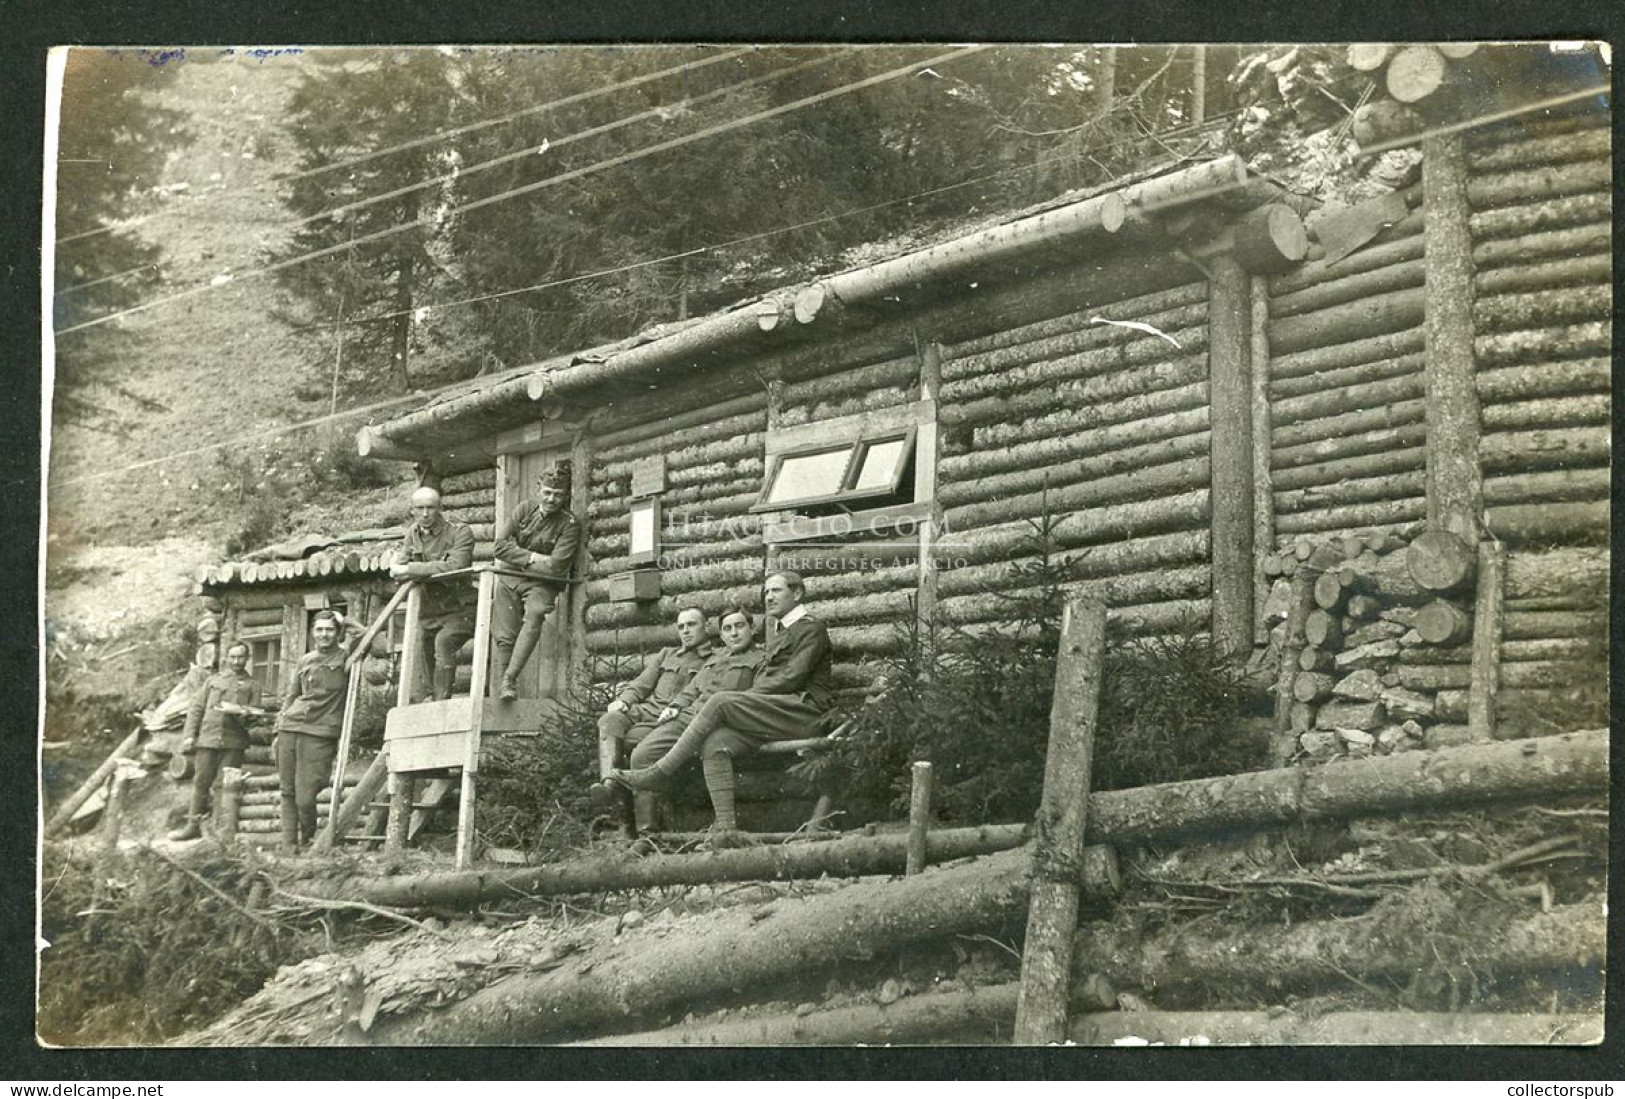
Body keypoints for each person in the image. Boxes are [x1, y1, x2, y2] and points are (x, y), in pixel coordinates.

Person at [606, 572, 833, 838]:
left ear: (797, 594)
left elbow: (792, 677)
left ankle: (659, 772)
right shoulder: (783, 631)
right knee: (717, 741)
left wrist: (747, 697)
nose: (769, 597)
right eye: (766, 592)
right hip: (777, 710)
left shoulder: (809, 628)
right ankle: (726, 829)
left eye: (776, 591)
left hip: (804, 711)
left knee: (721, 700)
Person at [621, 606, 764, 836]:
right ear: (721, 634)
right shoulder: (716, 660)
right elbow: (692, 689)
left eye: (739, 626)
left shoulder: (762, 660)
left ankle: (657, 828)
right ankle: (649, 832)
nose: (734, 633)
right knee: (641, 753)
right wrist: (675, 706)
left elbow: (757, 697)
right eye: (727, 629)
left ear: (752, 628)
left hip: (719, 724)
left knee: (643, 756)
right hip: (687, 718)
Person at [490, 465, 583, 701]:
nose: (552, 499)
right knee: (504, 634)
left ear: (565, 496)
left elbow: (556, 566)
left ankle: (510, 677)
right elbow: (499, 546)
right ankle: (504, 686)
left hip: (543, 583)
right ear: (538, 489)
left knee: (535, 614)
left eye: (558, 495)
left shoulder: (569, 524)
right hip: (511, 578)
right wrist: (532, 557)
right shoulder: (524, 509)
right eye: (548, 492)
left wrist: (518, 556)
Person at [596, 607, 712, 781]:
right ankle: (609, 783)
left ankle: (624, 788)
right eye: (681, 627)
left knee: (634, 743)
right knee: (608, 721)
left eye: (691, 624)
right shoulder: (667, 654)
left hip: (674, 720)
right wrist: (624, 701)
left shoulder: (715, 659)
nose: (686, 631)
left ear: (707, 626)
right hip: (647, 712)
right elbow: (641, 685)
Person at [167, 640, 263, 841]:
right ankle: (192, 825)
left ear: (247, 659)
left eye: (241, 657)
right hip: (208, 739)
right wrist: (190, 735)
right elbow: (196, 709)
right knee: (201, 782)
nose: (236, 661)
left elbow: (253, 718)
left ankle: (220, 831)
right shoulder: (213, 681)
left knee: (224, 785)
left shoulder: (253, 685)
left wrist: (244, 714)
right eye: (233, 657)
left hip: (233, 742)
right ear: (226, 658)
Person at [389, 485, 475, 701]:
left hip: (460, 609)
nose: (425, 514)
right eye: (420, 508)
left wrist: (411, 570)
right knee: (420, 647)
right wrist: (401, 568)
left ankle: (441, 702)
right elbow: (398, 568)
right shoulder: (412, 534)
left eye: (430, 508)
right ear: (412, 510)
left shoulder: (459, 532)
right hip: (429, 611)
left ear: (440, 508)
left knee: (444, 641)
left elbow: (456, 566)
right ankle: (426, 700)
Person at [274, 609, 348, 851]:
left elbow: (365, 635)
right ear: (312, 633)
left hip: (320, 732)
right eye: (319, 629)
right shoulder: (305, 660)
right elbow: (293, 694)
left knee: (306, 795)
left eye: (329, 629)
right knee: (287, 790)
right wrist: (279, 725)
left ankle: (307, 839)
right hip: (290, 727)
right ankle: (288, 844)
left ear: (337, 633)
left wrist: (344, 620)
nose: (324, 634)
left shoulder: (347, 656)